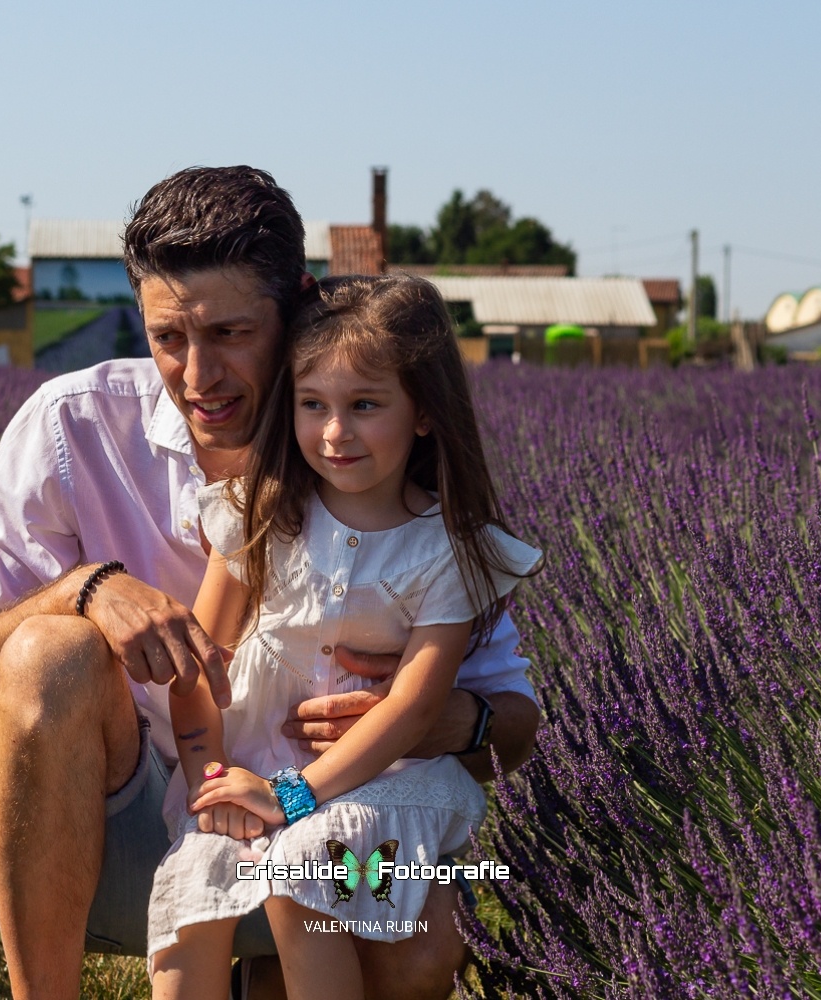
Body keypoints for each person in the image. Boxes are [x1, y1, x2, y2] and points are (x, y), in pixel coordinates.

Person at [0, 166, 542, 1000]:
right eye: (169, 338)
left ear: (301, 304)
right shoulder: (74, 426)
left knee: (423, 949)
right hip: (130, 827)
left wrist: (434, 717)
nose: (199, 375)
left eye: (232, 333)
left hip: (341, 824)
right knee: (48, 650)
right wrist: (84, 591)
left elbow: (515, 733)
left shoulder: (398, 486)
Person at [147, 275, 541, 1000]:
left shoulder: (445, 552)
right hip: (251, 772)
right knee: (190, 902)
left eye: (364, 405)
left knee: (306, 876)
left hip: (385, 786)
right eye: (312, 405)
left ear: (424, 412)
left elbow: (413, 710)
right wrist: (210, 781)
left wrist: (292, 797)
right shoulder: (261, 513)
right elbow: (197, 665)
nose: (335, 432)